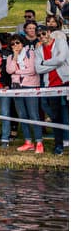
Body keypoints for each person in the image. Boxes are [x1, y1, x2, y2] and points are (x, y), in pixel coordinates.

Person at [34, 24, 69, 155]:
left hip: (66, 81)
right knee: (55, 115)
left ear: (49, 32)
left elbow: (61, 60)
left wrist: (45, 62)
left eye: (43, 33)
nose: (42, 37)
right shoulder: (38, 51)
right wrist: (49, 64)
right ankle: (58, 144)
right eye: (39, 35)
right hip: (51, 85)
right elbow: (38, 69)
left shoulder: (60, 42)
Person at [6, 34, 43, 152]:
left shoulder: (31, 53)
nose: (15, 46)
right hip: (17, 88)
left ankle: (39, 142)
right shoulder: (10, 57)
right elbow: (9, 70)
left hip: (31, 86)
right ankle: (28, 141)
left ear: (22, 43)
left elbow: (32, 70)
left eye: (17, 43)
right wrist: (15, 57)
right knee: (22, 115)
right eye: (12, 44)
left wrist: (17, 72)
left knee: (34, 115)